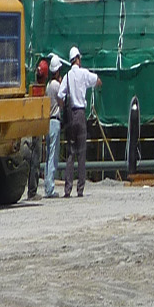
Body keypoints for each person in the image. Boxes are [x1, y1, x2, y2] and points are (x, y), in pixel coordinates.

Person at [61, 46, 101, 197]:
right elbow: (95, 79)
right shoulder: (84, 73)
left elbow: (60, 93)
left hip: (70, 115)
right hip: (80, 114)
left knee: (71, 153)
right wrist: (98, 82)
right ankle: (80, 189)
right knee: (81, 153)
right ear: (78, 58)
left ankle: (67, 189)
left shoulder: (67, 76)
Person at [25, 57, 47, 199]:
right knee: (35, 159)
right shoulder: (40, 90)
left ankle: (31, 189)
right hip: (37, 128)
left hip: (31, 127)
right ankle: (32, 191)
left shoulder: (32, 88)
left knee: (32, 159)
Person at [44, 55, 64, 198]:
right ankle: (50, 187)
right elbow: (62, 102)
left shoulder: (47, 86)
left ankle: (47, 184)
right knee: (53, 155)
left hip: (47, 122)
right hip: (55, 121)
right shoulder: (57, 86)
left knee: (47, 155)